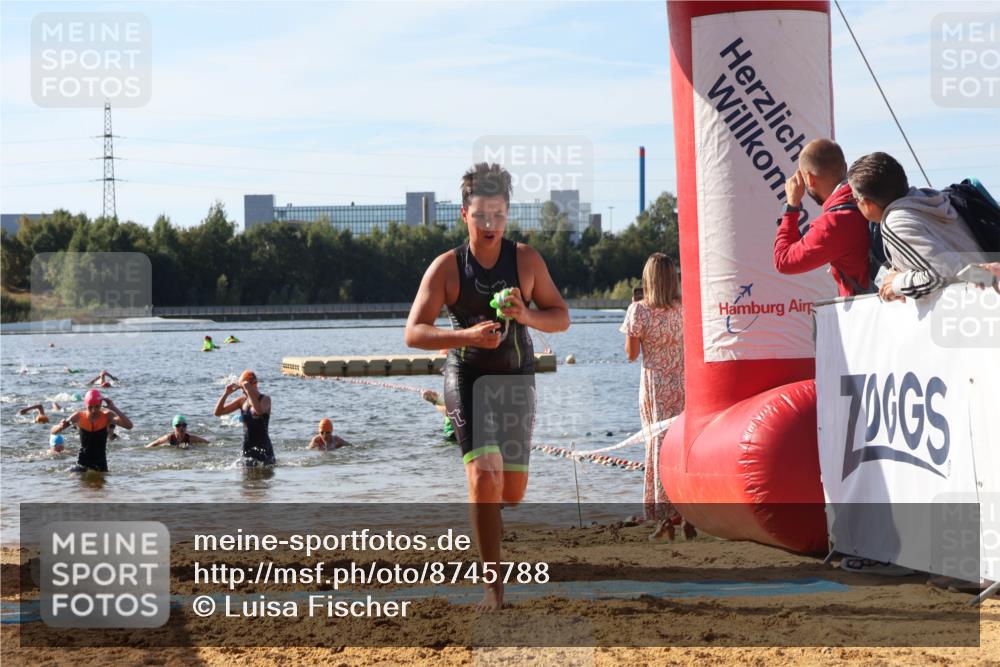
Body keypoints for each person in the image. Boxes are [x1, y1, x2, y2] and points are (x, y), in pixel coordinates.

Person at [405, 162, 570, 611]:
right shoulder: (447, 268)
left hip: (516, 378)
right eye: (481, 215)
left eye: (498, 214)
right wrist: (465, 337)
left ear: (508, 215)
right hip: (468, 376)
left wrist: (527, 316)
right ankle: (493, 590)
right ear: (465, 215)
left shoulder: (527, 260)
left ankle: (488, 518)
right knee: (482, 476)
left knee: (510, 492)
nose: (490, 224)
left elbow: (562, 316)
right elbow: (414, 332)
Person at [620, 253, 695, 541]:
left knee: (657, 449)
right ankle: (687, 512)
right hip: (684, 383)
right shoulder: (683, 309)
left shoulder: (639, 311)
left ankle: (664, 518)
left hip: (655, 387)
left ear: (647, 279)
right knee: (681, 448)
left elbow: (631, 354)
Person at [847, 152, 988, 301]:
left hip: (969, 306)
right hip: (986, 296)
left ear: (867, 203)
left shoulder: (896, 222)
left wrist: (897, 284)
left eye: (854, 198)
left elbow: (943, 272)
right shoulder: (929, 200)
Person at [773, 139, 873, 296]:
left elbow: (783, 261)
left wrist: (792, 206)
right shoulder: (871, 197)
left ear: (810, 179)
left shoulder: (833, 223)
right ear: (845, 168)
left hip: (870, 313)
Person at [50, 389, 133, 473]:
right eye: (90, 407)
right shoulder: (78, 416)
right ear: (86, 405)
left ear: (101, 404)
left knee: (100, 485)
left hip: (101, 464)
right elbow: (53, 432)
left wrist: (114, 408)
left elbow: (129, 426)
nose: (93, 410)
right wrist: (60, 426)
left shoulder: (107, 415)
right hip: (82, 462)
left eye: (97, 406)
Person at [214, 369, 275, 466]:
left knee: (265, 479)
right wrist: (226, 393)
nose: (242, 391)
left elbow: (258, 411)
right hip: (247, 447)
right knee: (246, 480)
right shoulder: (241, 401)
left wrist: (249, 390)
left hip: (264, 447)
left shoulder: (265, 399)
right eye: (241, 388)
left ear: (253, 385)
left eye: (242, 388)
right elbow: (218, 412)